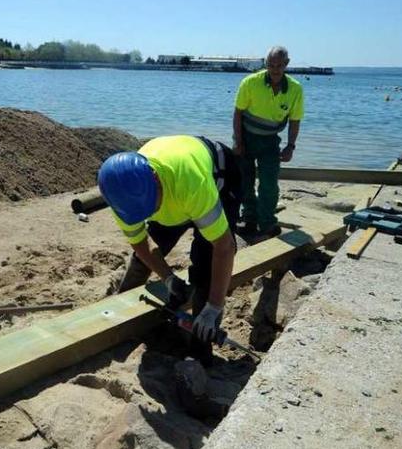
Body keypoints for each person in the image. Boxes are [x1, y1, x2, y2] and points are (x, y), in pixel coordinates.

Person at [99, 135, 242, 363]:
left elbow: (224, 247)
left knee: (205, 268)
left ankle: (199, 352)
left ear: (155, 180)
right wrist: (167, 277)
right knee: (141, 260)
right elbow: (141, 242)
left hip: (218, 176)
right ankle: (121, 315)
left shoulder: (191, 185)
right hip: (174, 193)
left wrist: (214, 306)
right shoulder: (123, 194)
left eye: (149, 208)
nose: (145, 215)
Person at [232, 46, 304, 241]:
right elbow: (238, 113)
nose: (275, 69)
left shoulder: (295, 88)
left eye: (279, 65)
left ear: (287, 64)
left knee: (269, 183)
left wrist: (291, 146)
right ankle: (249, 220)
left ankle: (267, 223)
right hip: (245, 137)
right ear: (266, 63)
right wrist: (238, 142)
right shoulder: (250, 82)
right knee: (245, 180)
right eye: (271, 65)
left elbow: (295, 120)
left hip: (270, 140)